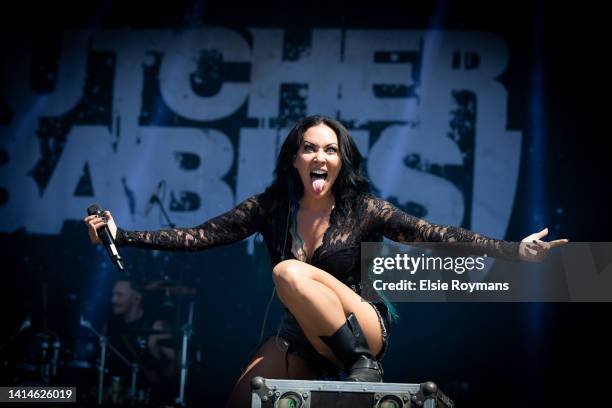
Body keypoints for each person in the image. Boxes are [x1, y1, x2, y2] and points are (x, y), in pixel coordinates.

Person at [84, 115, 568, 407]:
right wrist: (122, 234)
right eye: (310, 148)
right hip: (303, 338)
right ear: (295, 159)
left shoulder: (365, 209)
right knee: (241, 401)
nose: (321, 156)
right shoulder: (270, 207)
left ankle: (360, 362)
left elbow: (433, 234)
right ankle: (338, 362)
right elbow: (199, 235)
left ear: (342, 161)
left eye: (331, 149)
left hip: (365, 327)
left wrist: (512, 252)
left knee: (286, 271)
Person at [104, 279, 177, 403]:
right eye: (113, 294)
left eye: (119, 295)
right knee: (68, 396)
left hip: (144, 399)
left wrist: (162, 386)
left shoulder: (155, 326)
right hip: (113, 395)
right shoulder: (110, 325)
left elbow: (178, 358)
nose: (113, 300)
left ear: (136, 299)